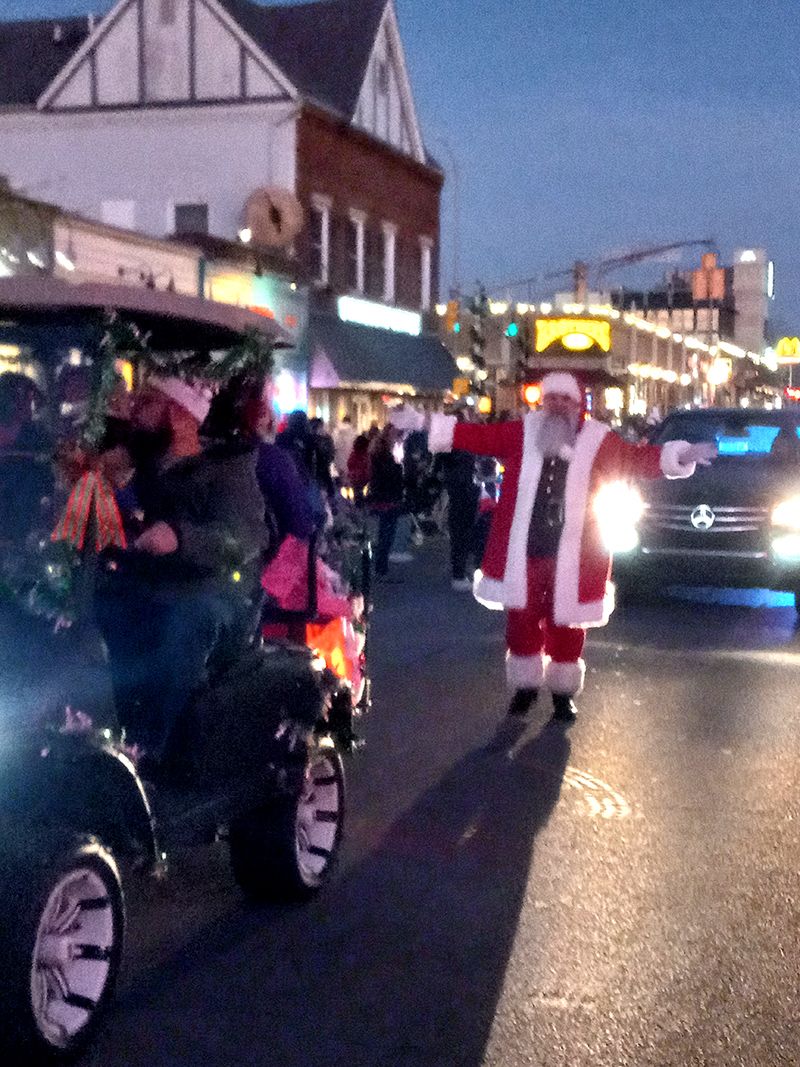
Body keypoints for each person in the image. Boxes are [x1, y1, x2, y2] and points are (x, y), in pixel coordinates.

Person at [393, 372, 716, 724]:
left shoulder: (599, 440)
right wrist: (424, 421)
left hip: (576, 552)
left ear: (579, 405)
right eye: (552, 399)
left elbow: (635, 459)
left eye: (566, 400)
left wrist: (681, 455)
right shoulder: (522, 432)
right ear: (542, 402)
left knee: (569, 624)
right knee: (521, 619)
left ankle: (563, 693)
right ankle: (525, 687)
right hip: (526, 546)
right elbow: (474, 436)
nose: (558, 405)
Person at [95, 374, 269, 774]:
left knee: (184, 623)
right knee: (101, 605)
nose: (138, 413)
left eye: (148, 404)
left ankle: (149, 748)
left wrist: (181, 538)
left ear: (177, 415)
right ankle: (102, 726)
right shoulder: (153, 464)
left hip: (218, 595)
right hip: (158, 584)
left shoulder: (228, 471)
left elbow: (244, 539)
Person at [368, 423, 405, 579]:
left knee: (383, 532)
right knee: (387, 534)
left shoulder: (377, 455)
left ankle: (379, 565)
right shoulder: (388, 458)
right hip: (390, 498)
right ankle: (381, 567)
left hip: (380, 497)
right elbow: (393, 477)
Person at [347, 433, 372, 506]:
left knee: (357, 492)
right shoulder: (366, 455)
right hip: (364, 477)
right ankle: (363, 503)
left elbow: (349, 464)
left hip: (355, 477)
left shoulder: (353, 454)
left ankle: (358, 504)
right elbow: (367, 466)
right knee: (364, 491)